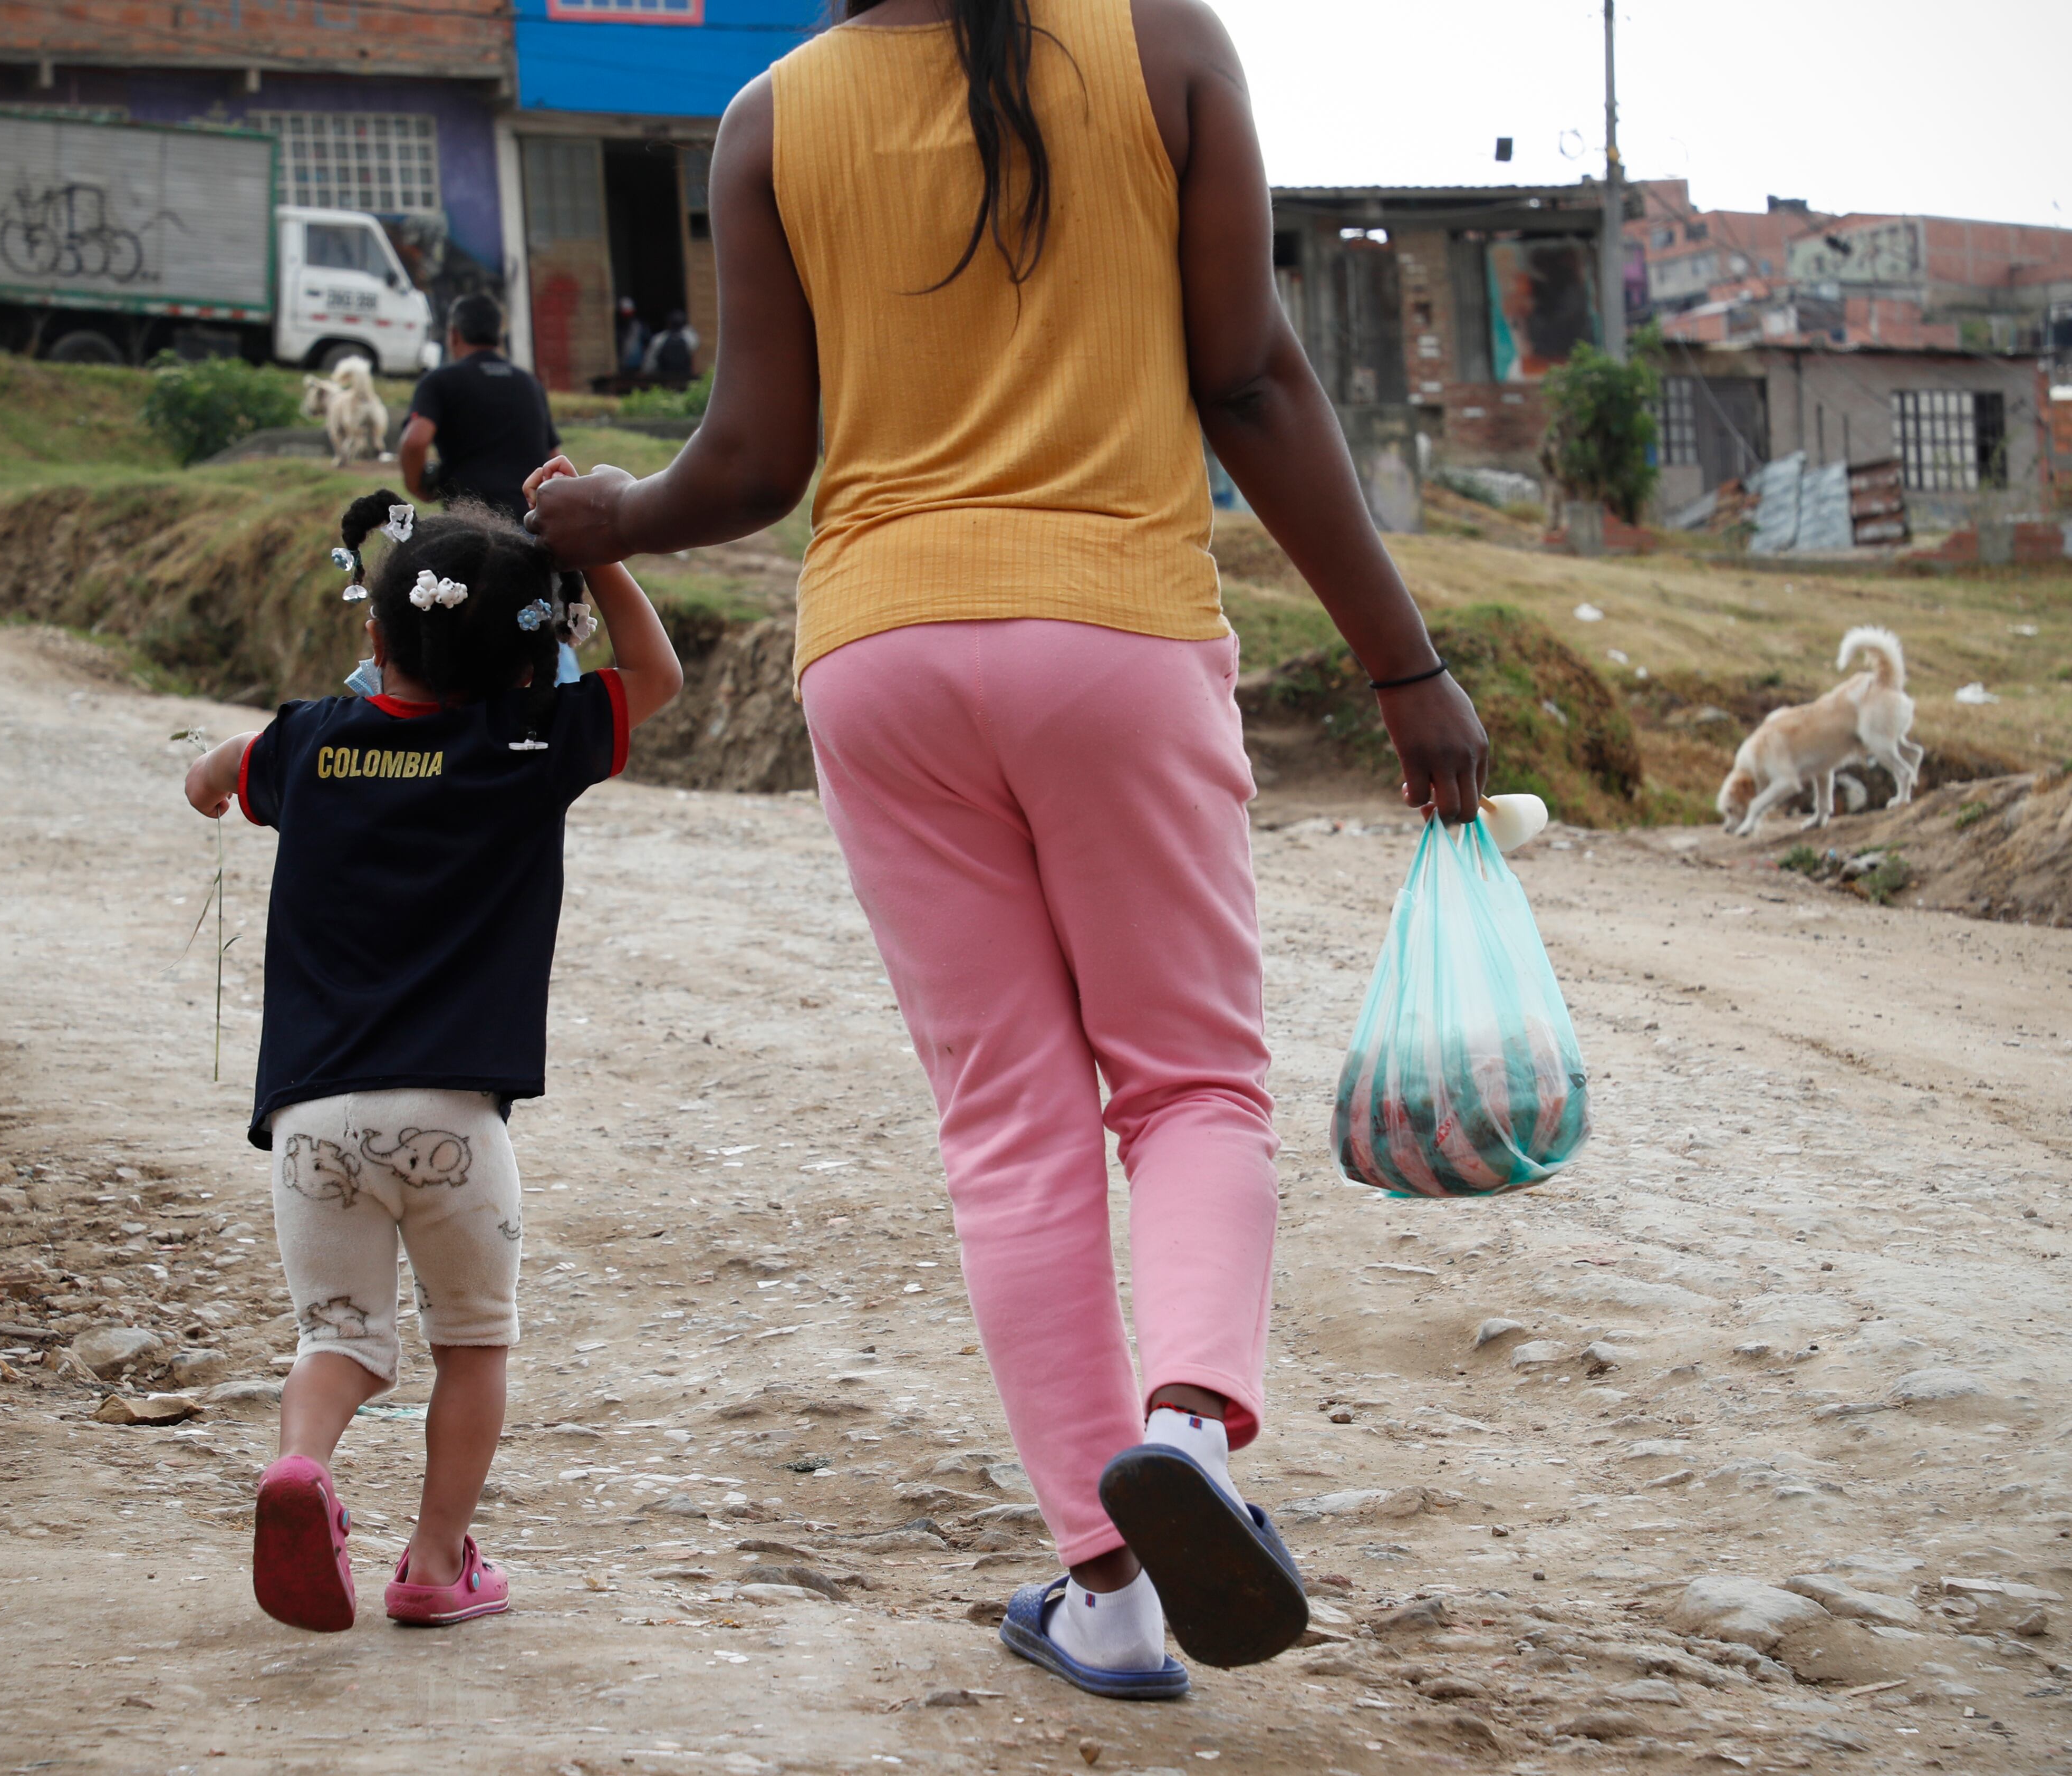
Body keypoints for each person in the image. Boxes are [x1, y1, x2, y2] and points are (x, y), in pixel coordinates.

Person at [531, 0, 1488, 1702]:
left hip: (884, 654)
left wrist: (618, 514)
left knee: (1009, 1122)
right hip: (1115, 633)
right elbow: (1252, 376)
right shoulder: (1166, 49)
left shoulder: (774, 116)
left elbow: (753, 462)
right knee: (1187, 1082)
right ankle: (1186, 1429)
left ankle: (1109, 1589)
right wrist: (1403, 665)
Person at [181, 484, 680, 1633]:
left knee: (341, 1339)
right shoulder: (528, 740)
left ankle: (303, 1466)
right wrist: (600, 558)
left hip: (311, 1124)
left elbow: (217, 767)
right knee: (471, 1345)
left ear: (374, 636)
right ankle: (436, 1562)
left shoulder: (307, 742)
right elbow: (656, 679)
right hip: (455, 1124)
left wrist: (208, 782)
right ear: (533, 661)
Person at [400, 294, 560, 521]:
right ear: (498, 336)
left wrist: (418, 487)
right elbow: (553, 457)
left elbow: (415, 441)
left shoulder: (440, 382)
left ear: (454, 335)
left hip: (475, 529)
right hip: (530, 526)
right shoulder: (529, 383)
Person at [649, 309, 699, 385]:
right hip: (684, 379)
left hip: (665, 380)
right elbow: (695, 341)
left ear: (668, 324)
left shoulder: (660, 339)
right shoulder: (689, 339)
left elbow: (651, 362)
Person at [614, 297, 650, 376]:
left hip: (639, 363)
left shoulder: (640, 326)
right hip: (623, 364)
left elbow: (647, 342)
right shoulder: (618, 328)